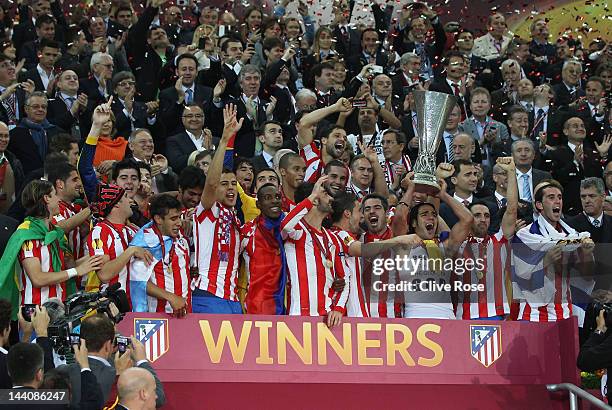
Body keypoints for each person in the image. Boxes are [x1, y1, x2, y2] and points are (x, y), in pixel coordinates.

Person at [512, 180, 595, 322]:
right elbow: (521, 276)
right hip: (533, 314)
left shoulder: (572, 236)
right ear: (539, 205)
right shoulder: (525, 235)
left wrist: (587, 253)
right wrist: (546, 260)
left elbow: (586, 275)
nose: (557, 201)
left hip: (564, 313)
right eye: (551, 198)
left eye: (560, 197)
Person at [191, 104, 243, 313]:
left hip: (232, 299)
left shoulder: (235, 218)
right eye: (225, 184)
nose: (230, 188)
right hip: (207, 295)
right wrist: (224, 140)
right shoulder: (207, 211)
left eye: (233, 184)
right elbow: (211, 184)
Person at [455, 157, 518, 320]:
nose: (483, 219)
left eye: (487, 216)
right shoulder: (458, 244)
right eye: (477, 215)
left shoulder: (499, 241)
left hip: (496, 315)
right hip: (464, 317)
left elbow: (511, 210)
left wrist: (511, 172)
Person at [129, 194, 190, 315]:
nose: (179, 223)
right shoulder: (145, 242)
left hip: (185, 312)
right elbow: (139, 282)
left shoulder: (179, 235)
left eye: (179, 217)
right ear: (158, 219)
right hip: (159, 317)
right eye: (173, 219)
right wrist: (171, 297)